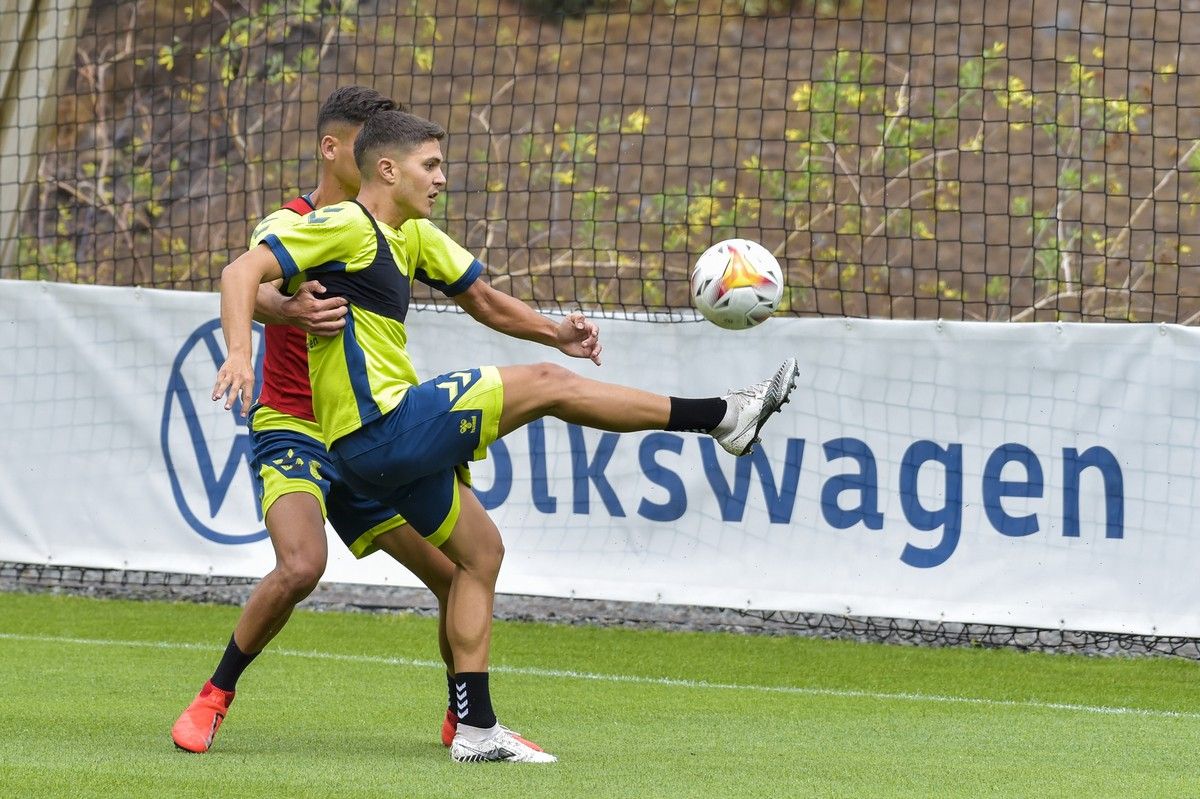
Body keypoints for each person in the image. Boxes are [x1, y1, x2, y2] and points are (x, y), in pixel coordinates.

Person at [213, 109, 800, 763]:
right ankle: (724, 414)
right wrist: (241, 352)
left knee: (481, 554)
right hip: (379, 429)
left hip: (381, 450)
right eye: (430, 165)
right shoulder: (342, 223)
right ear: (387, 169)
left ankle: (475, 729)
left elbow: (485, 301)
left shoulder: (413, 236)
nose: (442, 177)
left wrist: (556, 329)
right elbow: (241, 274)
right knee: (548, 384)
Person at [172, 88, 463, 755]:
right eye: (369, 144)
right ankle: (215, 693)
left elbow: (474, 289)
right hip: (294, 426)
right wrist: (269, 325)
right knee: (302, 564)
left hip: (366, 434)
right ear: (335, 149)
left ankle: (465, 718)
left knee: (455, 574)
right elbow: (257, 282)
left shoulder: (397, 231)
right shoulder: (293, 218)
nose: (383, 159)